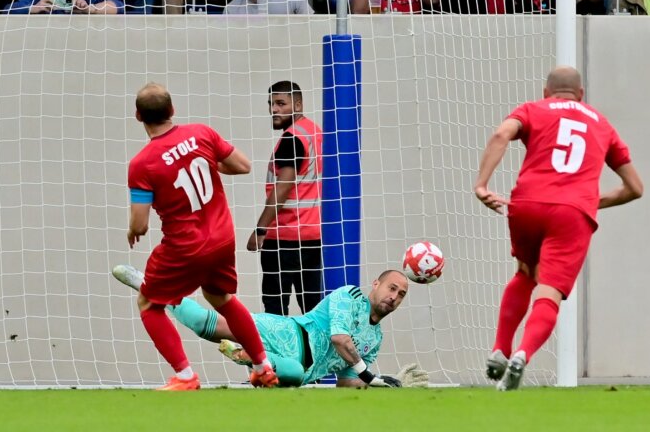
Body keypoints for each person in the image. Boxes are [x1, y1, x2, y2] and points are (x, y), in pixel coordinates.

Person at [474, 66, 644, 391]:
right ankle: (523, 354)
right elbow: (635, 187)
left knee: (526, 272)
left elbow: (501, 135)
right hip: (573, 213)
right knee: (548, 290)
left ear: (545, 92)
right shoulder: (601, 124)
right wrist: (590, 202)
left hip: (527, 203)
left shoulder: (532, 109)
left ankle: (500, 348)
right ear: (580, 95)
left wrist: (482, 185)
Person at [126, 83, 278, 390]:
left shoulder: (141, 164)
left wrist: (132, 229)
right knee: (220, 297)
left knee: (148, 303)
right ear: (172, 110)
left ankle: (185, 376)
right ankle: (264, 367)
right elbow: (243, 166)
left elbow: (140, 225)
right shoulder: (201, 133)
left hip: (185, 246)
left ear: (138, 116)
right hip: (222, 238)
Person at [113, 265, 428, 388]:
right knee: (200, 324)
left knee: (289, 376)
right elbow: (340, 339)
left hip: (300, 369)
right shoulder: (351, 296)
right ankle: (151, 285)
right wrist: (371, 376)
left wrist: (389, 386)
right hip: (286, 333)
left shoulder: (376, 338)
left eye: (401, 294)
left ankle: (250, 357)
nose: (394, 296)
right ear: (376, 284)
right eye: (391, 288)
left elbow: (349, 384)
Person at [245, 81, 324, 316]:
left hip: (285, 237)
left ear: (298, 104)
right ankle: (316, 353)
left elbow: (283, 189)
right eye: (271, 104)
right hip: (315, 236)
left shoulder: (292, 138)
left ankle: (280, 354)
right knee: (314, 310)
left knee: (275, 310)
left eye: (281, 103)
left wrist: (260, 230)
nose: (274, 110)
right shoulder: (316, 132)